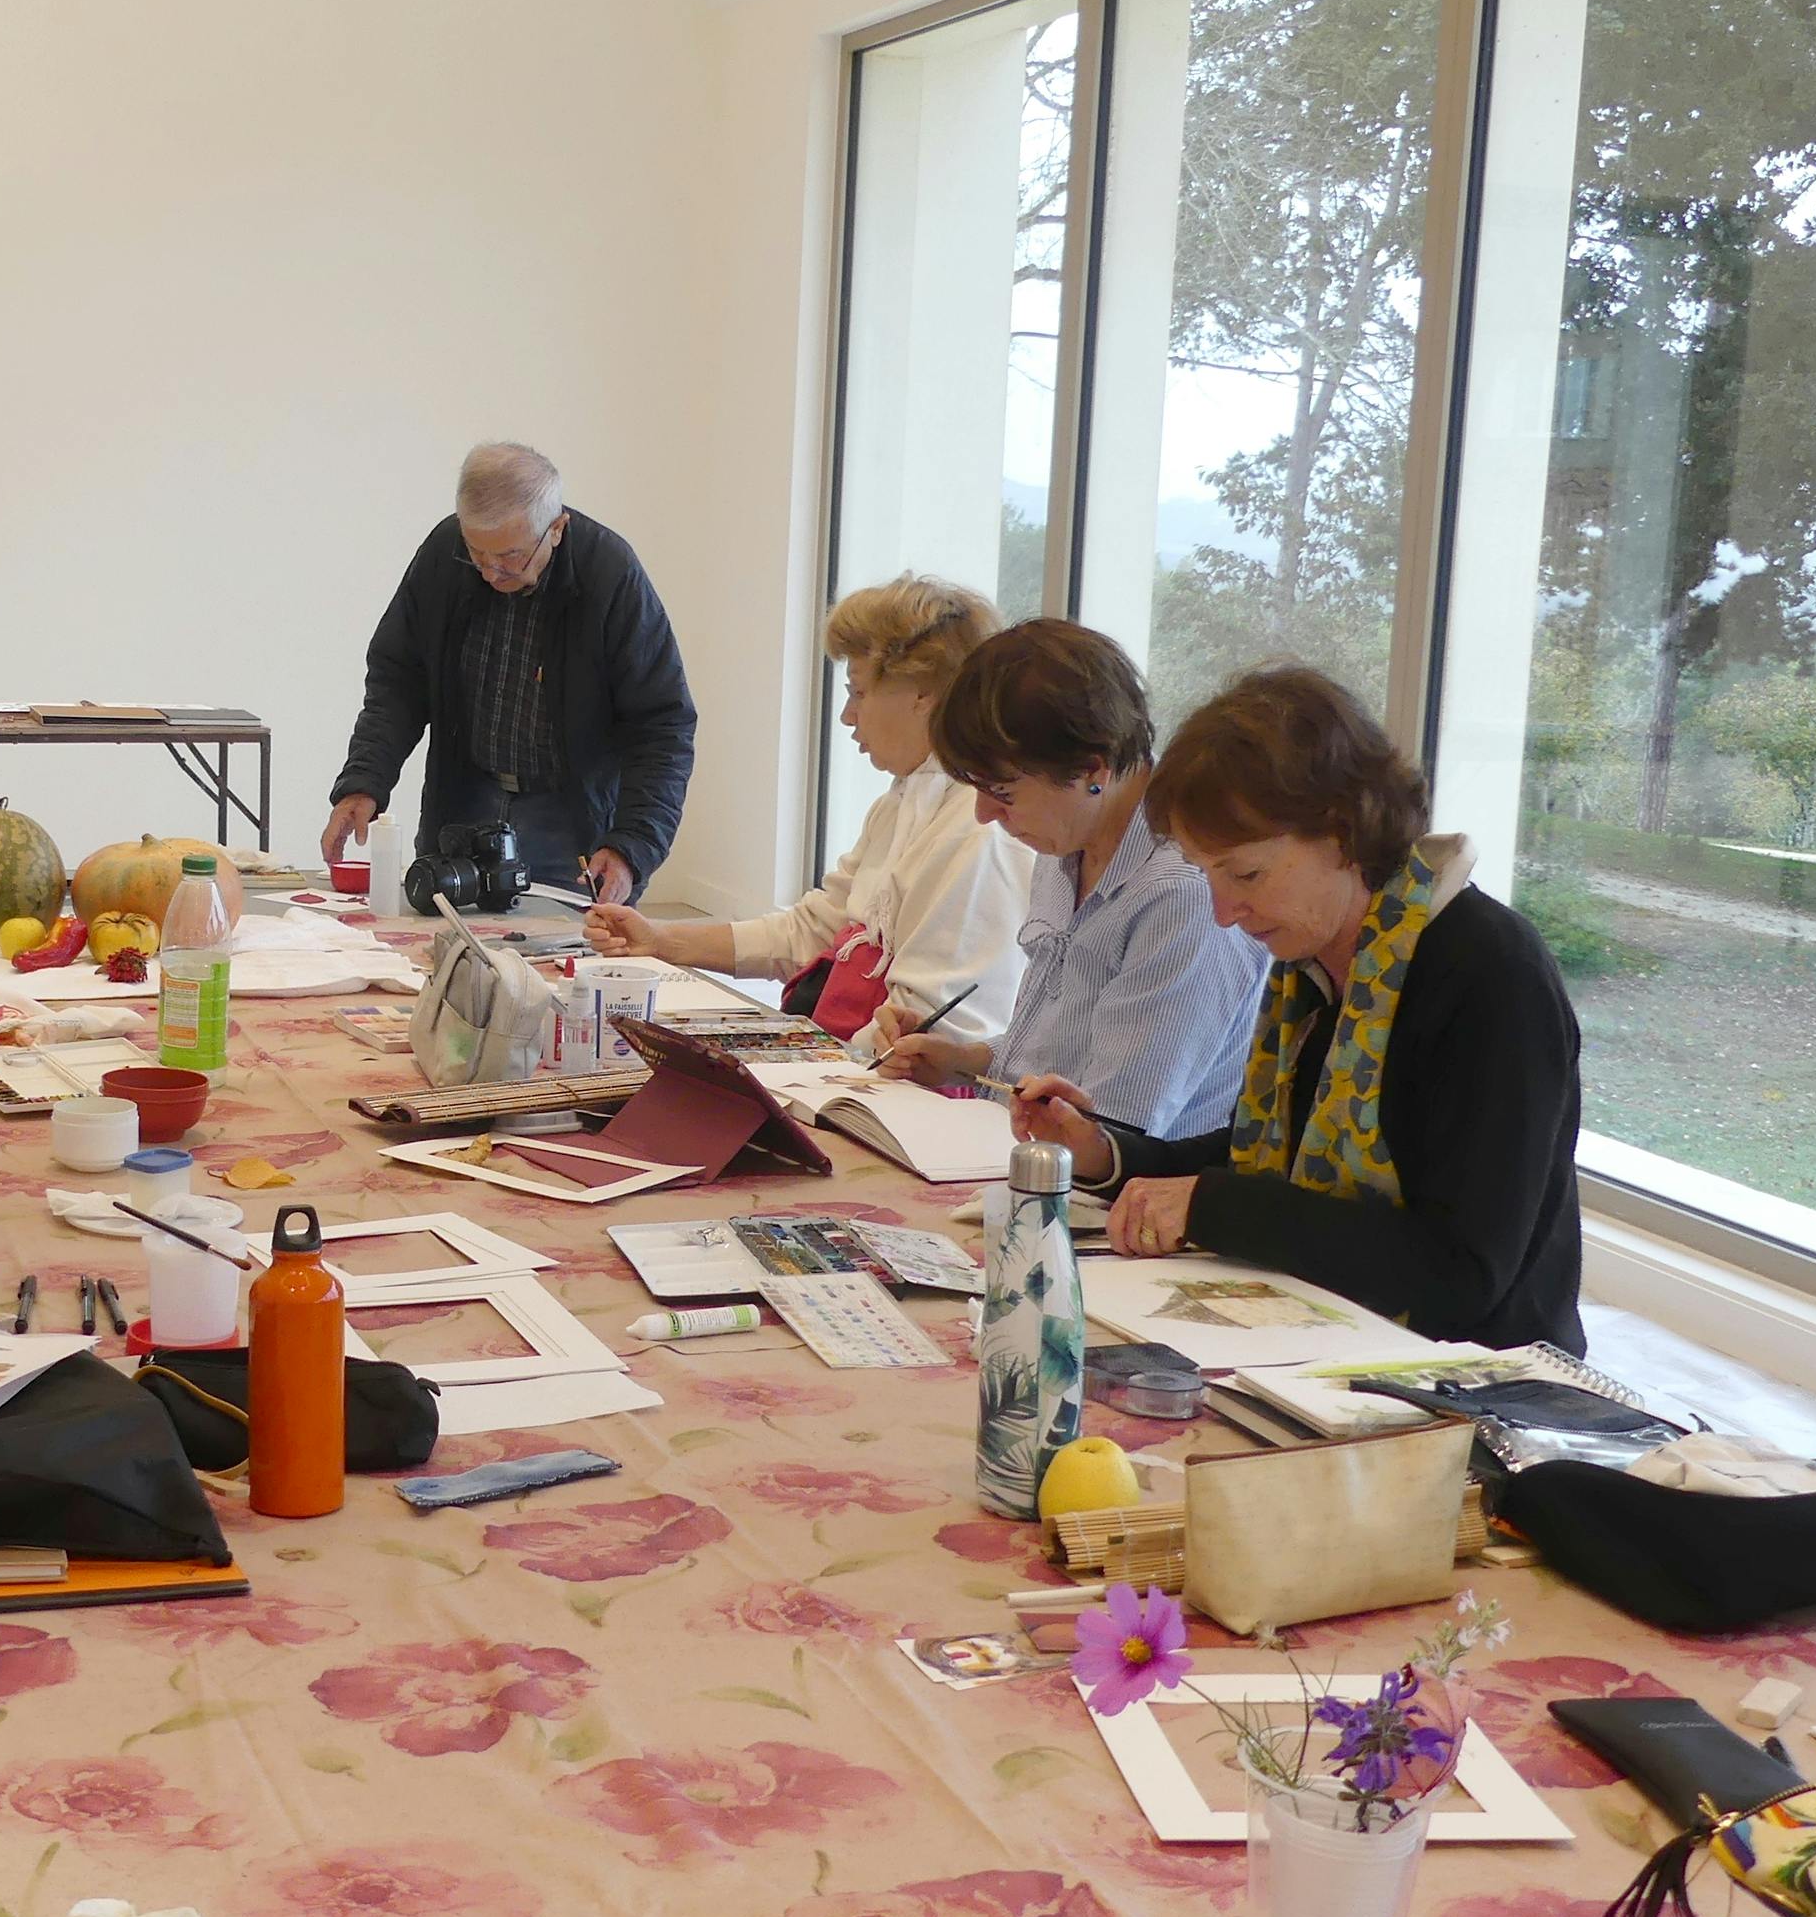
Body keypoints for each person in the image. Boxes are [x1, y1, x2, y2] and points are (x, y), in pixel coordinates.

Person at [1012, 666, 1586, 1354]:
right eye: (1208, 877)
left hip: (1465, 1381)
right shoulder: (1320, 961)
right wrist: (1107, 1153)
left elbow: (1460, 1272)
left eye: (1246, 874)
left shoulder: (1488, 973)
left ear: (1341, 831)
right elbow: (1277, 1158)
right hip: (1324, 1337)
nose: (1224, 914)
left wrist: (1212, 1205)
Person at [584, 577, 1029, 1043]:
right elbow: (812, 930)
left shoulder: (975, 830)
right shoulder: (901, 804)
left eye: (858, 691)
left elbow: (923, 1028)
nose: (847, 716)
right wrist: (660, 940)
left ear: (923, 694)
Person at [872, 619, 1266, 1135]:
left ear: (1092, 772)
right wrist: (961, 1060)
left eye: (1003, 792)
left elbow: (1118, 1125)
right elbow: (1057, 1048)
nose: (984, 815)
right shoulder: (1069, 845)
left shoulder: (1182, 894)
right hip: (1023, 1157)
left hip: (1109, 1196)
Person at [322, 442, 696, 906]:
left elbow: (662, 725)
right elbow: (398, 680)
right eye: (477, 555)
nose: (492, 573)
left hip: (569, 818)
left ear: (556, 529)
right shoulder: (444, 553)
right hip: (464, 800)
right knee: (441, 954)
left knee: (560, 960)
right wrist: (365, 781)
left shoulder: (610, 575)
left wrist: (632, 846)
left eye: (512, 557)